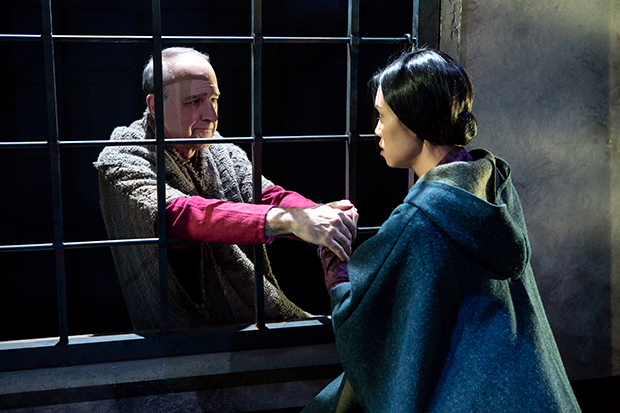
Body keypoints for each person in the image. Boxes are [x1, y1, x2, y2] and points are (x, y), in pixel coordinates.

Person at [302, 48, 580, 412]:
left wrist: (333, 258)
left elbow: (362, 318)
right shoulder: (492, 185)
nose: (377, 130)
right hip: (536, 392)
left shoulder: (421, 218)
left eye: (383, 116)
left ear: (412, 120)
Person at [95, 47, 358, 332]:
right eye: (195, 101)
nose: (211, 114)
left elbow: (268, 195)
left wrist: (320, 214)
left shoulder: (222, 150)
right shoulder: (122, 156)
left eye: (214, 100)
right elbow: (178, 214)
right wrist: (291, 220)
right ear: (156, 106)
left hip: (243, 326)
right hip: (172, 333)